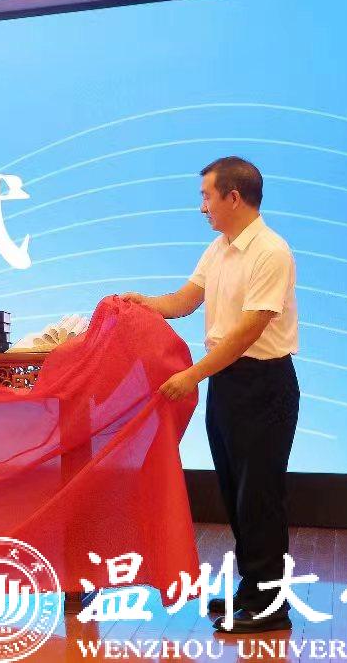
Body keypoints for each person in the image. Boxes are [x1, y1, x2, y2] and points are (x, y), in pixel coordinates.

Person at [121, 157, 299, 633]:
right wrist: (143, 304)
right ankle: (253, 590)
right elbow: (185, 300)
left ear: (233, 197)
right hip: (227, 383)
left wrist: (193, 375)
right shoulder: (218, 249)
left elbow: (247, 332)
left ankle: (270, 607)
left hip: (263, 384)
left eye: (206, 196)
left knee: (259, 496)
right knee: (236, 493)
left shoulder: (271, 251)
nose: (202, 207)